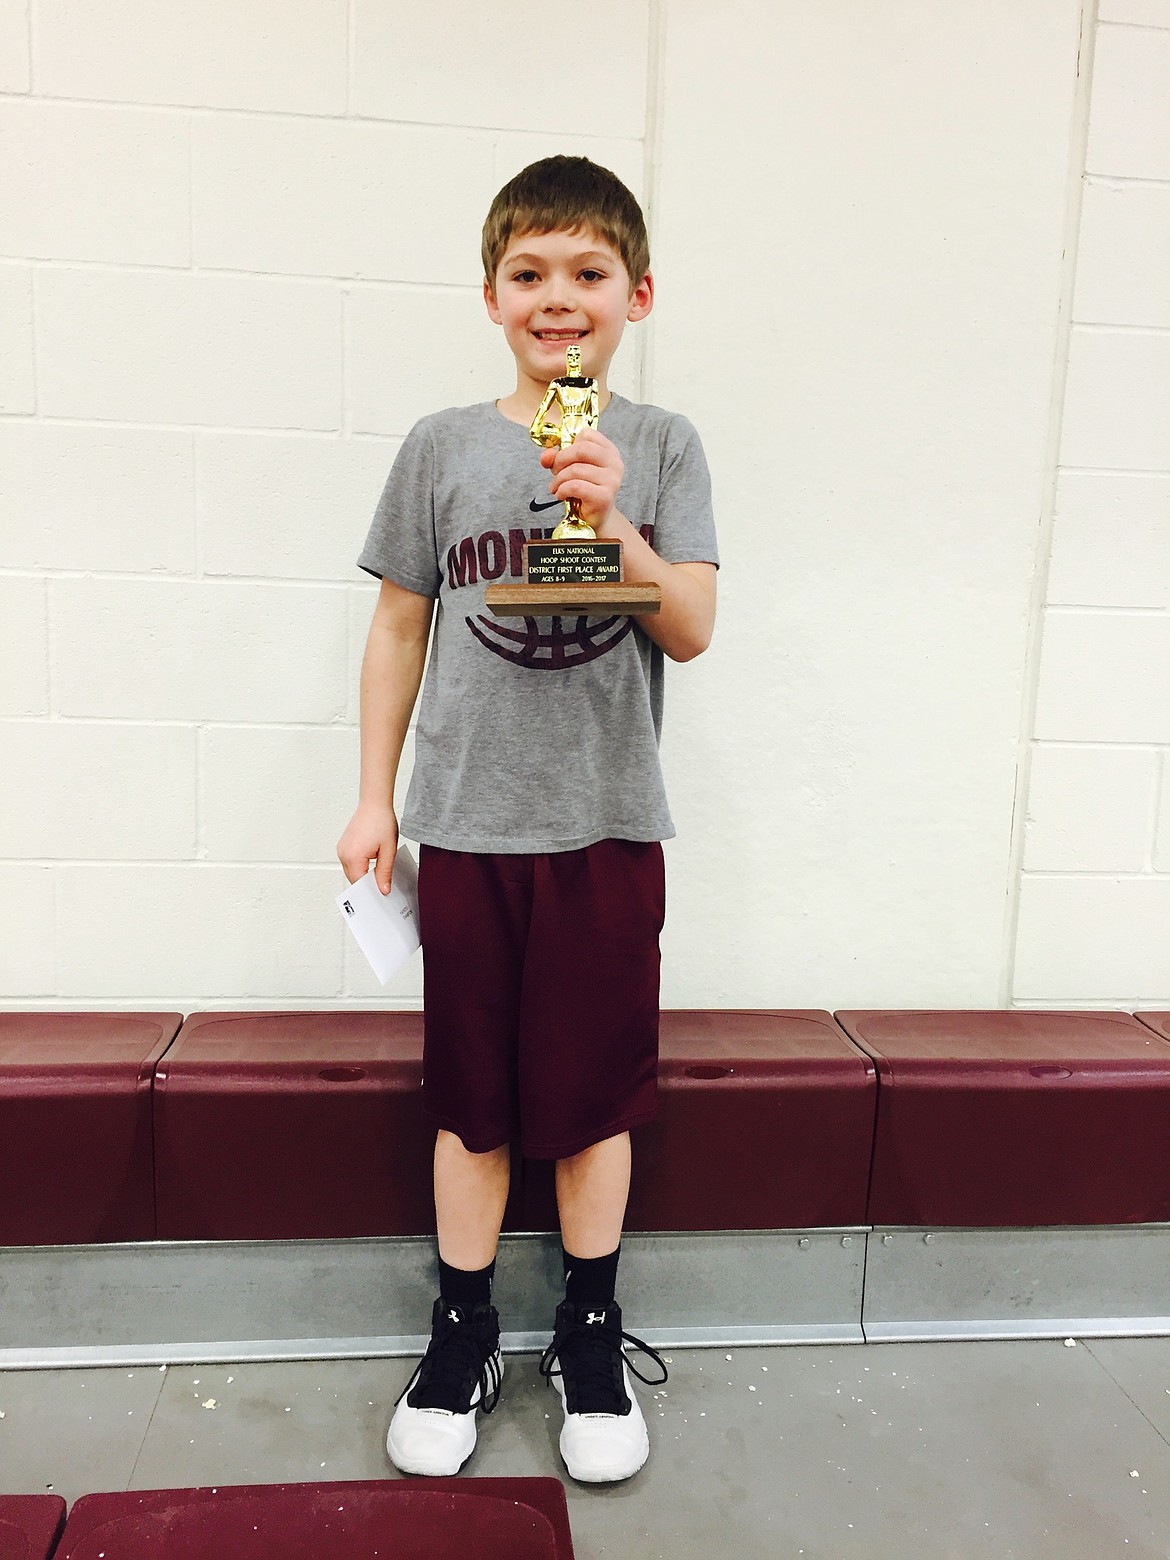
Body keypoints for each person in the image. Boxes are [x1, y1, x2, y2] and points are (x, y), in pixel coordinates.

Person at [337, 154, 719, 1484]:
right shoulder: (441, 446)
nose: (557, 298)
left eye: (586, 274)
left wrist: (610, 518)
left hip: (606, 824)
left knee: (593, 1100)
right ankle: (461, 1336)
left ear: (638, 293)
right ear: (492, 294)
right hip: (469, 829)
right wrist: (374, 799)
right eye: (529, 274)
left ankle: (590, 1333)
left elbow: (692, 626)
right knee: (473, 1103)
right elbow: (397, 626)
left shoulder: (661, 443)